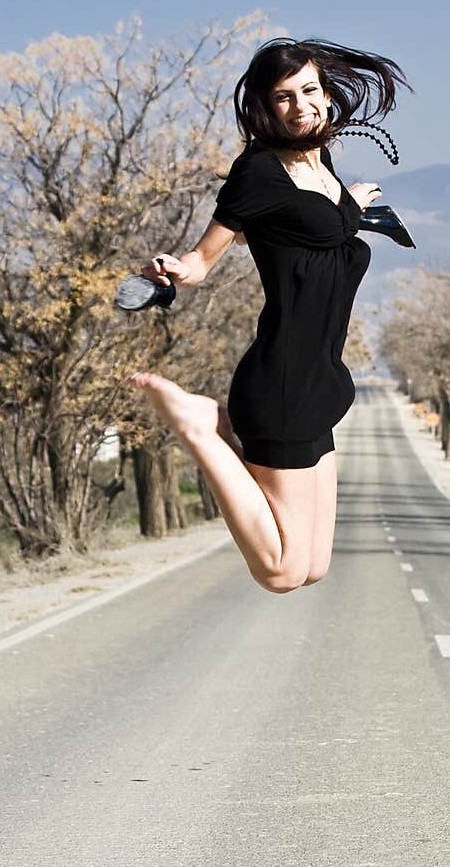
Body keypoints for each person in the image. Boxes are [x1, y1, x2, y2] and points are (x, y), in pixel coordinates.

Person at [128, 38, 411, 593]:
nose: (300, 105)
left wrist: (349, 203)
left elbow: (311, 232)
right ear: (264, 106)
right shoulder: (257, 171)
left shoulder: (322, 165)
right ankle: (199, 426)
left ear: (326, 93)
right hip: (281, 383)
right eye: (283, 97)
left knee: (313, 568)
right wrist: (175, 271)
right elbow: (205, 256)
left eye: (309, 90)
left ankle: (223, 423)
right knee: (280, 573)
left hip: (322, 380)